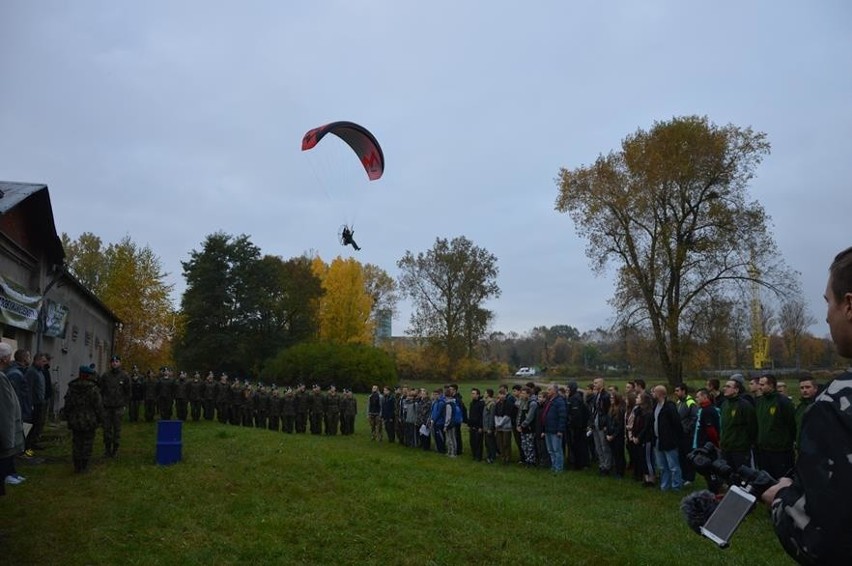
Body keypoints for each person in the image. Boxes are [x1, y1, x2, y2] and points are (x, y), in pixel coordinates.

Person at [761, 246, 852, 564]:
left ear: (849, 305)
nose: (827, 315)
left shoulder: (834, 406)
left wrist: (781, 499)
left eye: (829, 302)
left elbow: (825, 541)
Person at [64, 365, 104, 473]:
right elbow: (98, 406)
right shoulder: (93, 389)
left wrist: (67, 416)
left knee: (76, 442)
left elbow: (68, 404)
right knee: (87, 442)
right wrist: (101, 419)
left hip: (75, 418)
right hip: (89, 419)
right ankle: (84, 465)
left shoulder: (72, 387)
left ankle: (77, 466)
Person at [0, 343, 25, 491]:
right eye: (9, 356)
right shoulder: (2, 378)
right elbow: (5, 410)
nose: (11, 359)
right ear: (4, 359)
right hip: (4, 430)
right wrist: (8, 440)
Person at [651, 385, 683, 491]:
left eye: (654, 392)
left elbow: (677, 423)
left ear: (660, 394)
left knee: (673, 465)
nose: (652, 394)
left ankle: (676, 486)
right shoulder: (655, 406)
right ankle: (665, 485)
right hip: (658, 440)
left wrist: (675, 438)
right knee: (662, 466)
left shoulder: (670, 407)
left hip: (669, 441)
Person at [99, 355, 130, 457]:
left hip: (118, 406)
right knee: (107, 429)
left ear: (120, 363)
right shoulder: (105, 376)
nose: (114, 363)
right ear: (110, 363)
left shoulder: (124, 376)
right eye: (113, 361)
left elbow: (128, 391)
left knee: (117, 429)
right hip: (107, 406)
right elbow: (101, 390)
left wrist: (125, 404)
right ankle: (107, 449)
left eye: (117, 361)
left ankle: (115, 449)